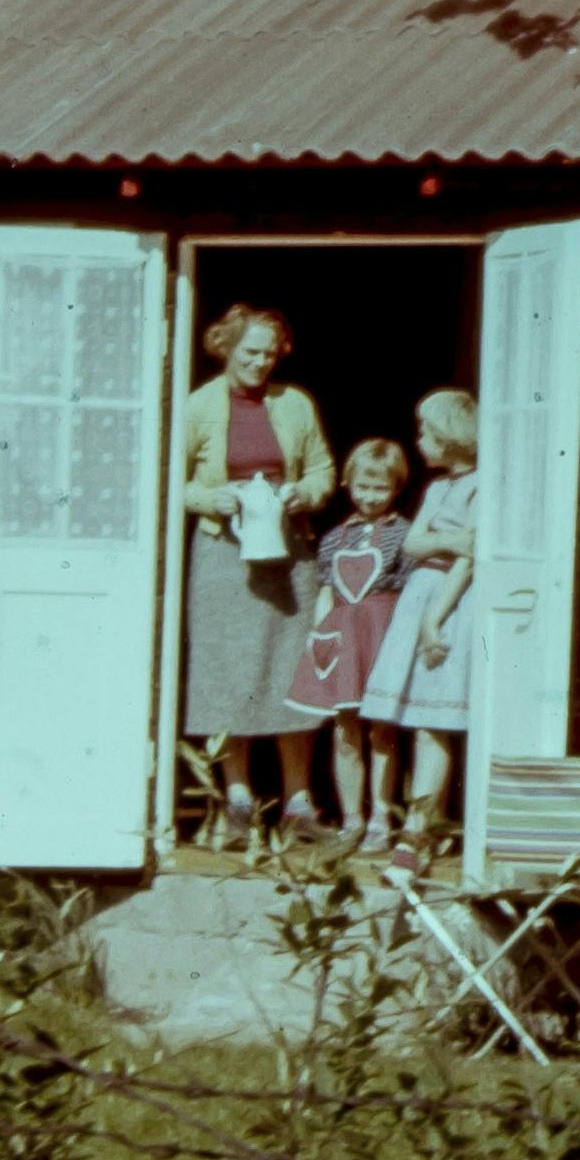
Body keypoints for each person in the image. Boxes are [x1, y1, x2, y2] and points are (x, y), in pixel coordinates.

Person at [175, 305, 334, 836]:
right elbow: (167, 479)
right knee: (228, 668)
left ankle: (298, 801)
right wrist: (208, 498)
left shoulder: (295, 404)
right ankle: (238, 795)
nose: (261, 363)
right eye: (250, 353)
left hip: (289, 555)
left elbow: (321, 468)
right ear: (226, 348)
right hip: (224, 557)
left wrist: (304, 493)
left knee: (293, 668)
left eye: (270, 353)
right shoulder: (197, 406)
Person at [361, 388, 479, 846]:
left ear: (449, 437)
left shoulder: (480, 485)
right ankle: (414, 820)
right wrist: (446, 542)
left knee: (433, 719)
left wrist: (434, 620)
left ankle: (420, 826)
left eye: (427, 432)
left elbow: (470, 559)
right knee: (408, 713)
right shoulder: (436, 487)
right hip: (420, 592)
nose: (420, 440)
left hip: (450, 600)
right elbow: (412, 544)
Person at [284, 437, 412, 837]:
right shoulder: (333, 538)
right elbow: (326, 590)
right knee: (344, 730)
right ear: (347, 484)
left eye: (381, 488)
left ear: (396, 488)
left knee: (383, 731)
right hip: (345, 642)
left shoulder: (403, 533)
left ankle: (381, 817)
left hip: (382, 636)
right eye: (363, 487)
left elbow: (411, 592)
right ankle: (352, 818)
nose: (370, 497)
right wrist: (319, 637)